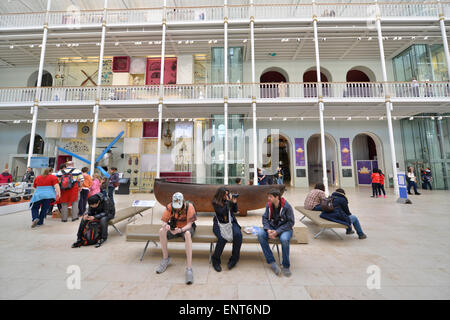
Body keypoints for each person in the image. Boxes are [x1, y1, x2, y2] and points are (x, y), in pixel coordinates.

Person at [156, 192, 197, 285]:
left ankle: (189, 268)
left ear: (182, 201)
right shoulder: (170, 206)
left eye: (179, 205)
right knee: (161, 231)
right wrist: (166, 226)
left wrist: (180, 230)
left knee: (187, 234)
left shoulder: (189, 206)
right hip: (174, 228)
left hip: (186, 228)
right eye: (175, 205)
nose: (177, 207)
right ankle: (166, 258)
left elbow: (190, 225)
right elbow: (163, 221)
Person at [257, 189, 295, 277]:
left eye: (270, 197)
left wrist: (277, 232)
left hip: (285, 229)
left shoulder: (286, 206)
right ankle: (272, 262)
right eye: (268, 196)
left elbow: (291, 222)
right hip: (272, 227)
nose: (268, 198)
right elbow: (265, 218)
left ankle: (286, 266)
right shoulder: (269, 205)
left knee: (284, 239)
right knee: (260, 234)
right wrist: (268, 229)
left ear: (277, 197)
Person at [211, 187, 242, 272]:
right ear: (221, 195)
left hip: (231, 223)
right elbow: (222, 212)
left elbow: (235, 211)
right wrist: (229, 202)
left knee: (238, 235)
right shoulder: (215, 202)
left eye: (228, 194)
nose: (227, 195)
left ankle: (234, 259)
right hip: (219, 224)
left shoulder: (229, 201)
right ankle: (215, 260)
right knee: (222, 238)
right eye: (225, 194)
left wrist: (234, 203)